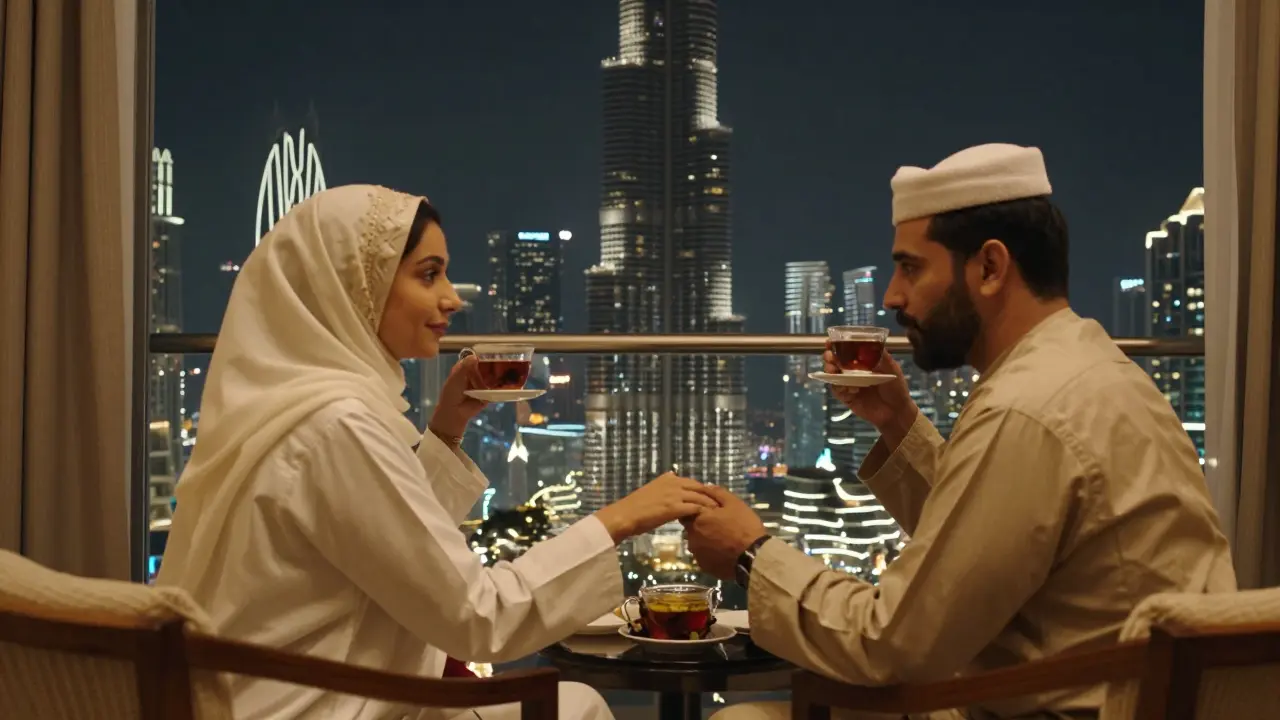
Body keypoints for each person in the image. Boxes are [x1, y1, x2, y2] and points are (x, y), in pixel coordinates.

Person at [683, 144, 1236, 720]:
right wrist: (897, 422)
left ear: (990, 268)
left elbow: (890, 644)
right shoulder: (1092, 370)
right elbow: (987, 546)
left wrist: (751, 556)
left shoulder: (1025, 408)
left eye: (912, 266)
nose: (894, 296)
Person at [156, 185, 718, 720]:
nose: (451, 298)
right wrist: (620, 519)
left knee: (575, 704)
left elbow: (385, 541)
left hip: (264, 699)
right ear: (355, 286)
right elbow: (478, 616)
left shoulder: (294, 409)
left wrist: (447, 432)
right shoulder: (338, 425)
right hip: (325, 706)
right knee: (576, 706)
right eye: (429, 275)